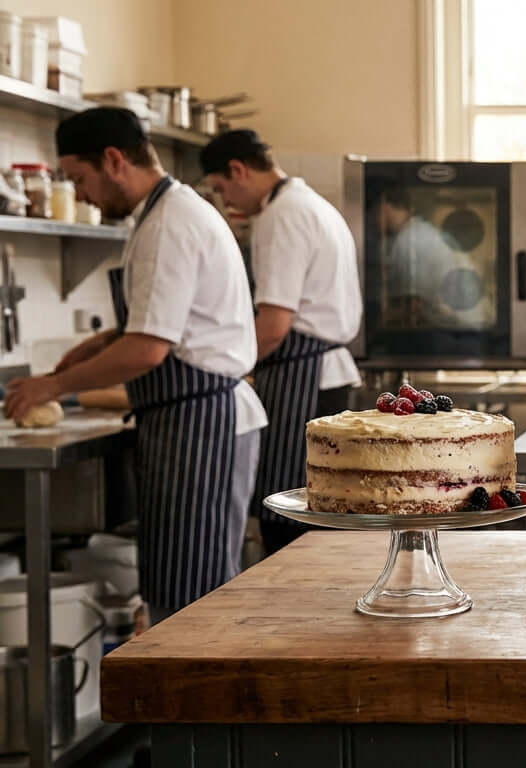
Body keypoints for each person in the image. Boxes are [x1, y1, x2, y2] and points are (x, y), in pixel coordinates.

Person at [4, 107, 266, 621]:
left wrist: (51, 386)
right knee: (185, 591)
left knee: (194, 601)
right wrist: (100, 343)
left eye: (80, 179)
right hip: (190, 422)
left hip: (202, 425)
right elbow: (164, 319)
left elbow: (149, 349)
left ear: (113, 159)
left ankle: (192, 702)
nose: (80, 194)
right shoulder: (165, 213)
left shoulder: (169, 223)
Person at [200, 129, 363, 555]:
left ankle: (297, 614)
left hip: (303, 379)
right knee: (327, 506)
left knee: (292, 514)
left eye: (221, 189)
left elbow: (273, 324)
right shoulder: (313, 206)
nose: (225, 202)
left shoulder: (281, 215)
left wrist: (224, 370)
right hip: (326, 374)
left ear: (238, 171)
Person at [374, 182, 493, 330]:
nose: (374, 220)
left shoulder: (410, 241)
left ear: (384, 206)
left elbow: (415, 305)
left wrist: (377, 323)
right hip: (464, 325)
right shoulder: (419, 232)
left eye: (373, 212)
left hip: (456, 331)